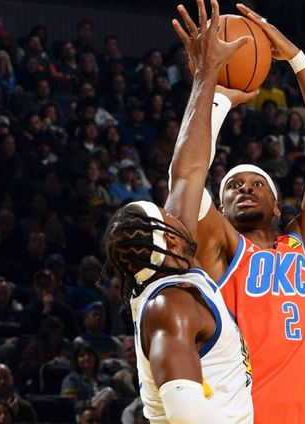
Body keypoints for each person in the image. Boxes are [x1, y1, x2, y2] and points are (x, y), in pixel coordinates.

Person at [175, 3, 305, 423]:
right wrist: (212, 91)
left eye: (256, 184)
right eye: (233, 186)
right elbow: (186, 178)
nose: (245, 189)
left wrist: (298, 61)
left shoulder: (303, 244)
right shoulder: (220, 248)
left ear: (277, 205)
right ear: (220, 207)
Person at [100, 2, 254, 422]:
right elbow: (187, 415)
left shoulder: (170, 268)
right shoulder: (169, 307)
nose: (174, 211)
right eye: (165, 216)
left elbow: (187, 171)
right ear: (168, 240)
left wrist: (210, 81)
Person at [60, 343, 115, 416]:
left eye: (90, 355)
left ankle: (95, 417)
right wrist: (88, 404)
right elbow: (69, 403)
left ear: (95, 358)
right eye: (82, 356)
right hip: (81, 414)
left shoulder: (106, 379)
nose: (86, 357)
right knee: (108, 391)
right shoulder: (71, 379)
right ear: (76, 360)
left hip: (106, 416)